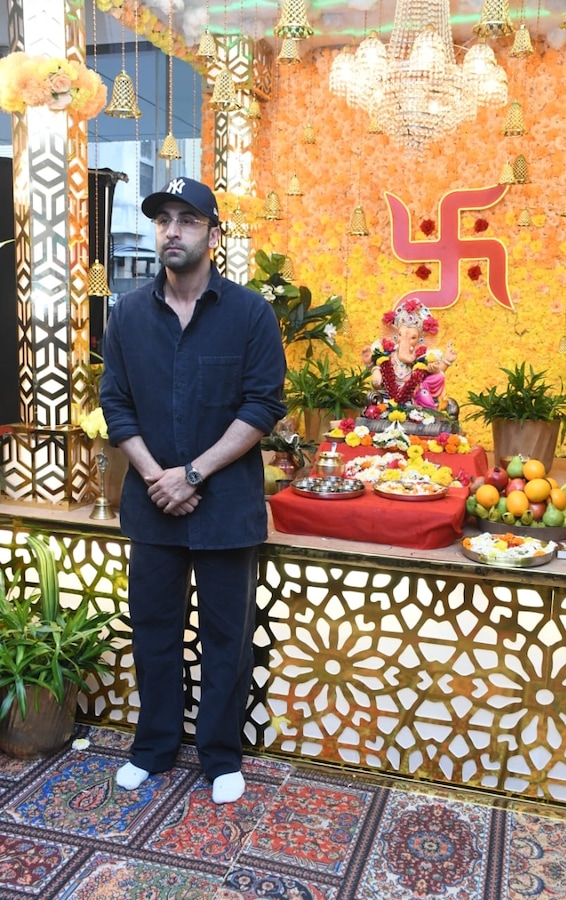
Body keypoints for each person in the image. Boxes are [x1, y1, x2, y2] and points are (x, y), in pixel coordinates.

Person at [100, 177, 287, 804]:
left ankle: (220, 754)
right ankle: (152, 747)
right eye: (162, 221)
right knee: (153, 627)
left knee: (226, 635)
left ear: (212, 232)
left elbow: (263, 405)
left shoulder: (250, 313)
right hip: (152, 506)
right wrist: (157, 477)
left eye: (186, 219)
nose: (172, 231)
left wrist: (194, 473)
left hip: (226, 506)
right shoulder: (126, 315)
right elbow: (115, 404)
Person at [367, 297, 457, 410]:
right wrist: (375, 370)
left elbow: (434, 371)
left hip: (413, 394)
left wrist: (446, 361)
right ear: (396, 336)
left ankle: (424, 411)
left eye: (412, 337)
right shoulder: (390, 353)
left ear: (419, 340)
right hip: (388, 395)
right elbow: (378, 365)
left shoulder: (421, 356)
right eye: (401, 335)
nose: (405, 340)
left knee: (438, 377)